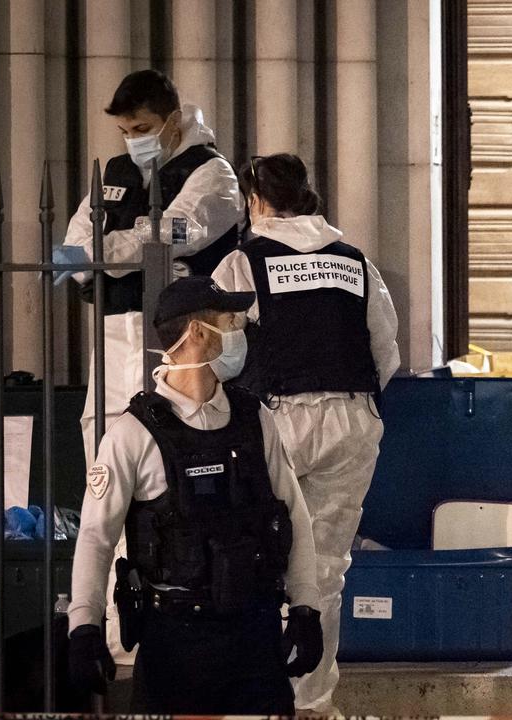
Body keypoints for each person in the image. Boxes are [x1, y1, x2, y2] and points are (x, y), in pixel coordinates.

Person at [66, 276, 323, 714]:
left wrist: (306, 607)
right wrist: (84, 626)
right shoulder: (133, 433)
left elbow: (293, 514)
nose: (241, 329)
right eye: (230, 319)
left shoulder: (254, 417)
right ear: (200, 334)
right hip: (175, 643)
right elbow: (95, 536)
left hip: (254, 633)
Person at [211, 153, 400, 714]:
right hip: (352, 419)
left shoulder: (243, 263)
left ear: (256, 202)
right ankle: (313, 702)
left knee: (258, 560)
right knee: (325, 569)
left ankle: (260, 697)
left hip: (278, 421)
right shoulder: (354, 260)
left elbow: (222, 354)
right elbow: (385, 352)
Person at [55, 69, 245, 465]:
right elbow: (76, 241)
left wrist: (101, 256)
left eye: (142, 128)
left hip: (178, 325)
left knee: (171, 430)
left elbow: (174, 235)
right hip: (111, 323)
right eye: (124, 131)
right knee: (102, 432)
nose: (132, 140)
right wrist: (97, 259)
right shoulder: (114, 171)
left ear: (173, 120)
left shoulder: (211, 172)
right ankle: (116, 526)